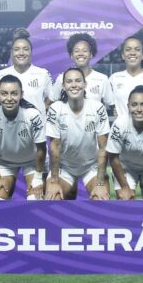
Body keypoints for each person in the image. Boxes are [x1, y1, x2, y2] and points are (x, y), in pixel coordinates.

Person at [44, 68, 111, 200]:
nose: (74, 85)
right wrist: (54, 181)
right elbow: (54, 148)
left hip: (91, 166)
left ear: (85, 84)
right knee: (53, 198)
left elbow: (103, 148)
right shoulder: (55, 109)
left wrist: (99, 183)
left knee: (101, 199)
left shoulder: (97, 108)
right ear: (63, 86)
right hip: (65, 167)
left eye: (78, 81)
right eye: (69, 81)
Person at [0, 75, 46, 200]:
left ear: (21, 94)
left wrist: (38, 177)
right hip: (5, 162)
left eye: (14, 93)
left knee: (34, 200)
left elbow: (41, 148)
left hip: (32, 161)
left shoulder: (33, 115)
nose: (9, 98)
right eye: (4, 94)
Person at [107, 35, 143, 118]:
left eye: (137, 49)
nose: (132, 53)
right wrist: (114, 111)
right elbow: (108, 104)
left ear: (142, 55)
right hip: (122, 130)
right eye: (128, 49)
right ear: (123, 55)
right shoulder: (114, 78)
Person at [0, 29, 53, 111]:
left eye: (25, 49)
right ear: (11, 52)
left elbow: (50, 100)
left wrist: (39, 113)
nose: (21, 53)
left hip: (37, 123)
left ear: (31, 52)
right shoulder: (1, 75)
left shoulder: (43, 74)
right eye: (16, 49)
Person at [50, 33, 112, 105]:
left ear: (91, 54)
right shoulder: (62, 78)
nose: (80, 53)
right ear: (71, 55)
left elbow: (112, 106)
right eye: (76, 51)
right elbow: (50, 102)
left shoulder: (102, 79)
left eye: (85, 50)